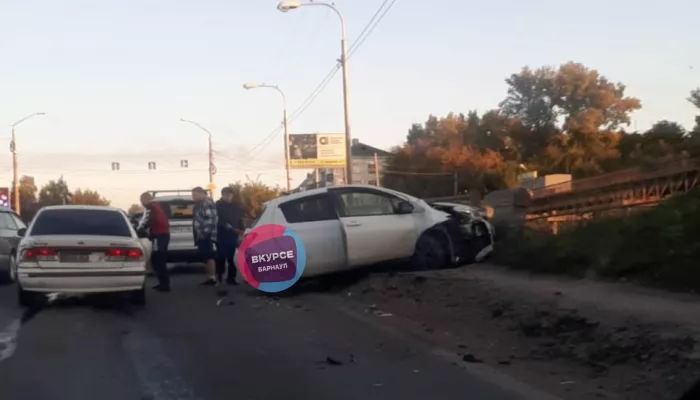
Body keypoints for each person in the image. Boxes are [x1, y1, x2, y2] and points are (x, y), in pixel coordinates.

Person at [136, 192, 171, 292]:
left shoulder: (151, 207)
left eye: (142, 201)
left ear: (147, 199)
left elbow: (148, 221)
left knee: (160, 260)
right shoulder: (156, 206)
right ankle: (163, 284)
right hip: (162, 235)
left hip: (160, 235)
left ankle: (165, 285)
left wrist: (139, 230)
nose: (142, 203)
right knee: (158, 260)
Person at [215, 187, 245, 285]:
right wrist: (227, 226)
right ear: (222, 195)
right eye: (226, 195)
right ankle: (219, 275)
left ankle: (231, 278)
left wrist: (241, 229)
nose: (228, 197)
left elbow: (239, 218)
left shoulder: (235, 206)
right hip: (221, 235)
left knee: (231, 257)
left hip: (233, 235)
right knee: (221, 256)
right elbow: (217, 219)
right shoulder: (217, 206)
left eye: (230, 195)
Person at [191, 186, 219, 286]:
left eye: (195, 195)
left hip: (206, 235)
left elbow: (211, 220)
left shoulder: (206, 203)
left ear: (202, 194)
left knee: (209, 256)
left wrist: (205, 233)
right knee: (204, 256)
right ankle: (209, 277)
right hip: (201, 235)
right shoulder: (199, 204)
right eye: (192, 195)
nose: (193, 197)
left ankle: (212, 278)